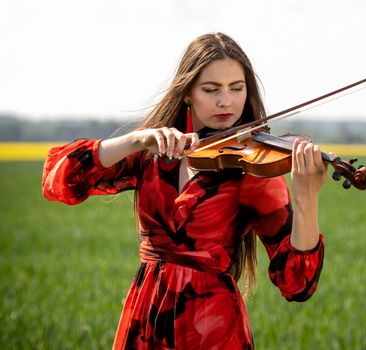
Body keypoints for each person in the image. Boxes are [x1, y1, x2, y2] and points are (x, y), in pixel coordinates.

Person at [42, 32, 327, 349]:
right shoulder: (154, 153)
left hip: (213, 329)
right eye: (211, 89)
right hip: (144, 320)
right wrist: (137, 140)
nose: (225, 101)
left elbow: (297, 284)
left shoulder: (252, 169)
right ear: (188, 92)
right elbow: (61, 180)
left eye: (236, 88)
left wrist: (306, 198)